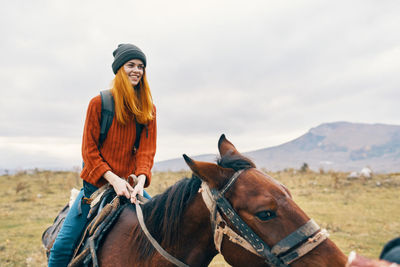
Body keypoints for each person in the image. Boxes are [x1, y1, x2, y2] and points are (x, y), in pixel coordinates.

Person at [48, 43, 157, 266]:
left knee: (163, 229)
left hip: (131, 188)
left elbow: (146, 152)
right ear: (119, 69)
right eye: (131, 65)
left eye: (141, 66)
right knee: (60, 249)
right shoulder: (99, 104)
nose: (137, 70)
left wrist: (141, 180)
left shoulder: (148, 109)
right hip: (95, 189)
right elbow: (89, 152)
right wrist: (114, 179)